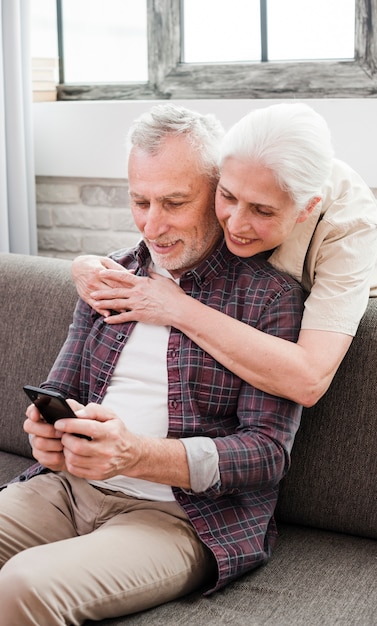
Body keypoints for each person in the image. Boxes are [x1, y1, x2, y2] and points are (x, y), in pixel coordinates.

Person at [0, 104, 304, 625]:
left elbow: (267, 453)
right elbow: (61, 382)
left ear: (218, 193)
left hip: (181, 517)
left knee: (23, 588)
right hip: (67, 489)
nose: (153, 224)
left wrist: (134, 455)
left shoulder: (267, 298)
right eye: (140, 201)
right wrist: (48, 430)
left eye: (174, 202)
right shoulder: (112, 274)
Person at [72, 103, 377, 407]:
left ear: (305, 209)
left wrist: (175, 307)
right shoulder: (242, 160)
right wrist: (83, 264)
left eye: (262, 211)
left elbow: (309, 380)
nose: (234, 225)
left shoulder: (350, 226)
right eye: (227, 196)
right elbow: (165, 225)